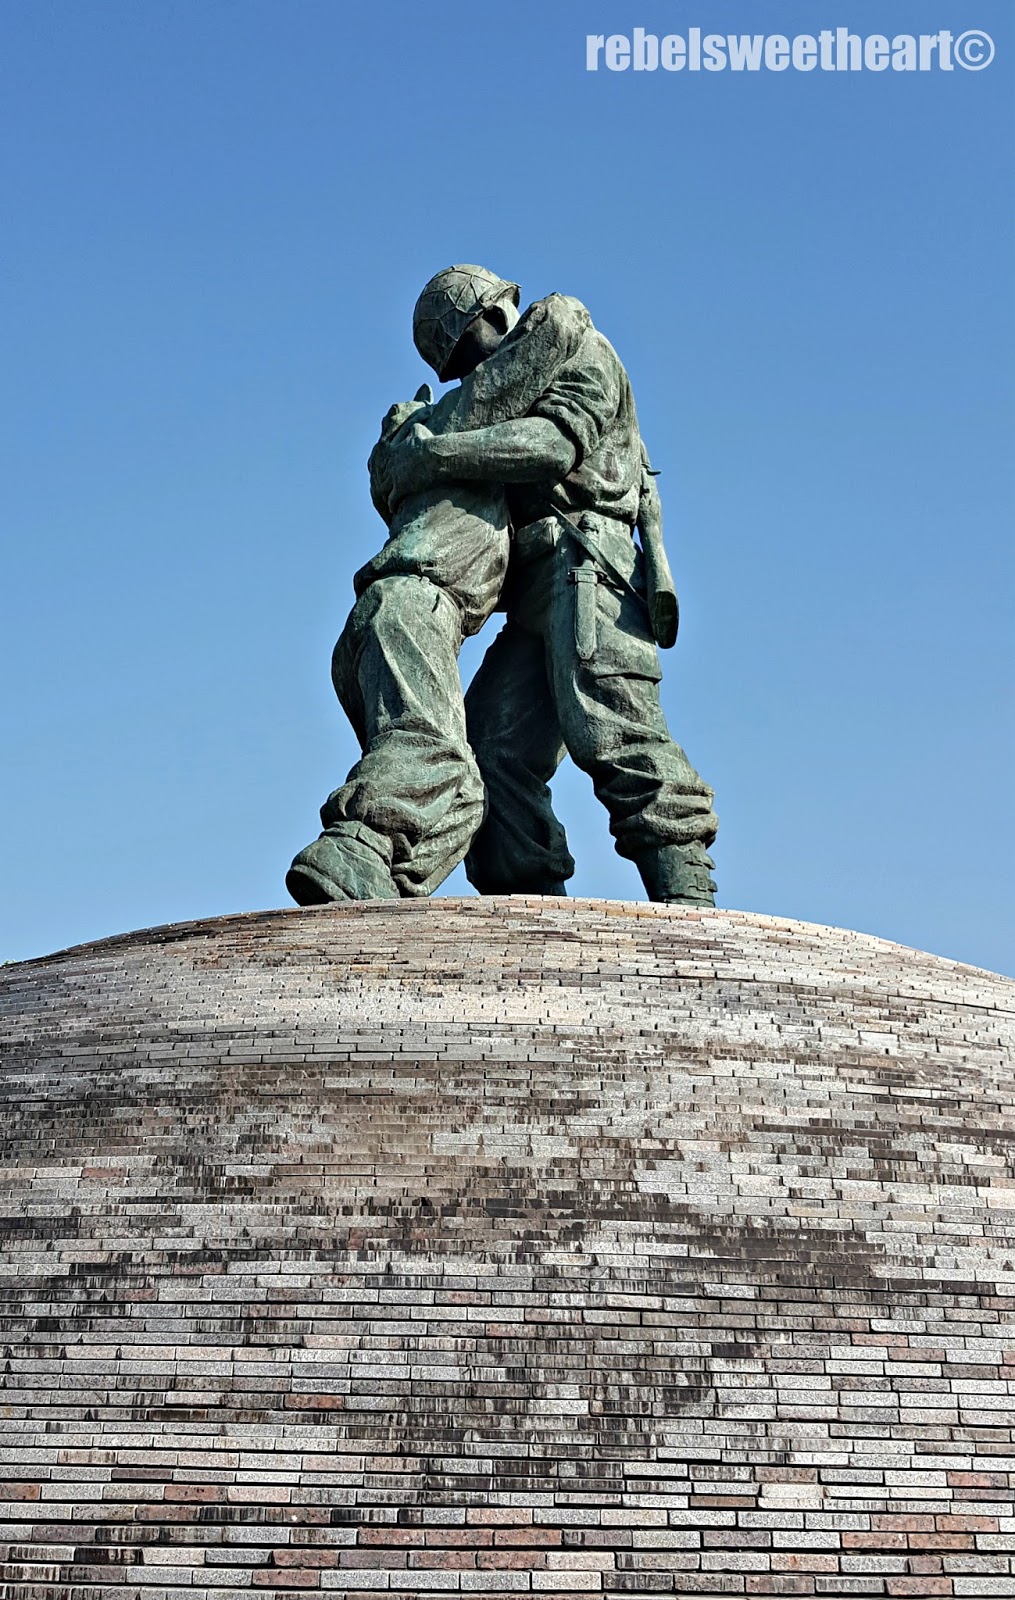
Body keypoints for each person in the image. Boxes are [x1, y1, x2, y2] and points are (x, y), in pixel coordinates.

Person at [376, 269, 719, 905]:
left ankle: (687, 897)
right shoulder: (504, 382)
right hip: (534, 585)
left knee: (613, 725)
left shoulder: (578, 345)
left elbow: (551, 446)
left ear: (493, 317)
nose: (470, 380)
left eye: (465, 358)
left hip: (592, 565)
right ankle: (527, 904)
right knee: (491, 746)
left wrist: (433, 453)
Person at [286, 267, 591, 904]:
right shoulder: (447, 428)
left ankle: (489, 886)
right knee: (443, 766)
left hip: (383, 620)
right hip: (414, 607)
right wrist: (559, 320)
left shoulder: (415, 454)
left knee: (474, 764)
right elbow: (524, 369)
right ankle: (355, 855)